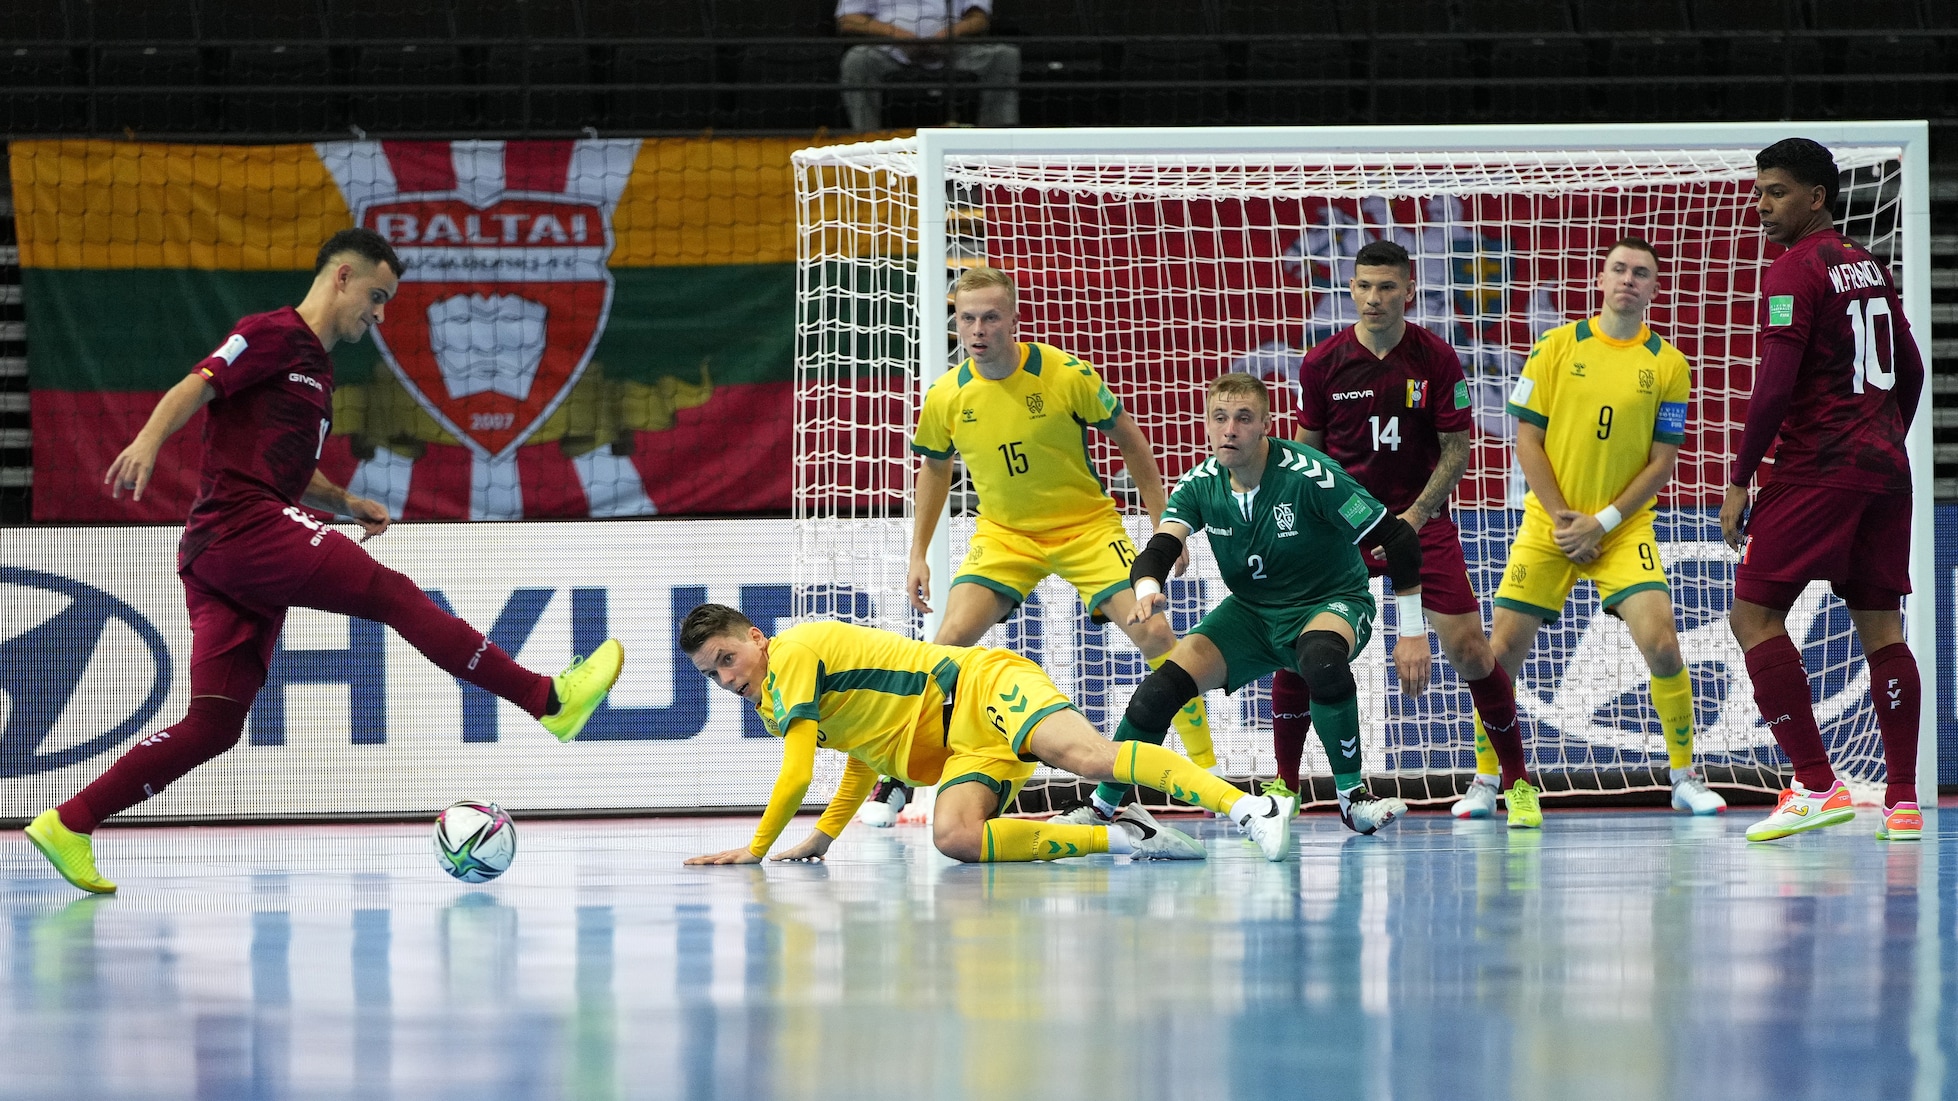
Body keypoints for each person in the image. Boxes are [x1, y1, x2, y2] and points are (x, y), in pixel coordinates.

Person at [21, 229, 624, 895]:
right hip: (239, 529)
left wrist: (345, 499)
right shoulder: (273, 333)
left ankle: (69, 823)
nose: (381, 314)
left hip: (228, 552)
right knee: (394, 596)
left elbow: (286, 472)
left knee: (215, 723)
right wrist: (146, 440)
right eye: (377, 295)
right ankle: (548, 699)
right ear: (341, 277)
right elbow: (196, 385)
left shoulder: (318, 370)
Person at [866, 264, 1210, 831]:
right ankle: (899, 774)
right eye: (966, 318)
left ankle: (1208, 769)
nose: (976, 330)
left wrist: (1159, 528)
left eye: (989, 317)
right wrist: (918, 553)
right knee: (946, 643)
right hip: (1005, 536)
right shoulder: (947, 395)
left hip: (1086, 528)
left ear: (1014, 320)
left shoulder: (1066, 374)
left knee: (1156, 634)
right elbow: (934, 468)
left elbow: (1132, 442)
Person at [676, 604, 1293, 865]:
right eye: (711, 674)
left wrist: (757, 848)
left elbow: (797, 774)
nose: (726, 679)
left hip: (980, 687)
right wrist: (823, 836)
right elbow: (864, 753)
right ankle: (1124, 837)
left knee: (1086, 757)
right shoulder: (770, 701)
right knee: (953, 837)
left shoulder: (794, 654)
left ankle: (1247, 806)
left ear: (756, 636)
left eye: (727, 659)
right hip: (964, 748)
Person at [1266, 239, 1536, 826]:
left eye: (1386, 287)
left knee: (1470, 651)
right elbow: (1307, 456)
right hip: (1342, 530)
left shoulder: (1436, 359)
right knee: (1298, 652)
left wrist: (1409, 522)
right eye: (1363, 286)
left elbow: (1457, 451)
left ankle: (1516, 781)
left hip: (1422, 522)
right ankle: (1284, 785)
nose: (1373, 299)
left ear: (1409, 291)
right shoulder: (1322, 363)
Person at [1118, 372, 1426, 837]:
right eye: (1220, 418)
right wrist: (1146, 589)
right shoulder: (1201, 483)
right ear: (1205, 425)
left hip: (1330, 600)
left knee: (1321, 661)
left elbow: (1399, 541)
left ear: (1266, 424)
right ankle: (1103, 807)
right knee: (1158, 692)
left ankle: (1351, 798)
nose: (1230, 430)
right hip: (1252, 613)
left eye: (1243, 418)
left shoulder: (1312, 476)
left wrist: (1412, 632)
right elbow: (1160, 547)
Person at [1723, 138, 1926, 842]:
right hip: (1884, 470)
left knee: (1751, 615)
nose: (1760, 205)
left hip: (1816, 466)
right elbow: (1913, 368)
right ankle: (1902, 800)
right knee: (1882, 629)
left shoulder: (1793, 271)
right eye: (1757, 191)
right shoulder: (1866, 265)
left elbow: (1775, 387)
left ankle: (1815, 783)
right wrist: (1884, 436)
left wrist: (1740, 477)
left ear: (1816, 197)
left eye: (1774, 191)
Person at [1489, 238, 1727, 820]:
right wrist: (1568, 520)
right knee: (1498, 656)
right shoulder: (1554, 346)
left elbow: (1663, 460)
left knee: (1663, 643)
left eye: (1640, 273)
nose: (1628, 279)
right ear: (1600, 279)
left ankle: (1683, 777)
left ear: (1653, 288)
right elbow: (1527, 438)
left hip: (1622, 530)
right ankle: (1484, 778)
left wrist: (1602, 521)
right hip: (1551, 525)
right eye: (1618, 268)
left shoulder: (1669, 366)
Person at [836, 0, 1020, 131]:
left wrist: (947, 35)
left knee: (1004, 56)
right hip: (891, 51)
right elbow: (847, 20)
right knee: (857, 59)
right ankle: (867, 144)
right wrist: (897, 34)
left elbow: (979, 18)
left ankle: (998, 140)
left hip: (952, 49)